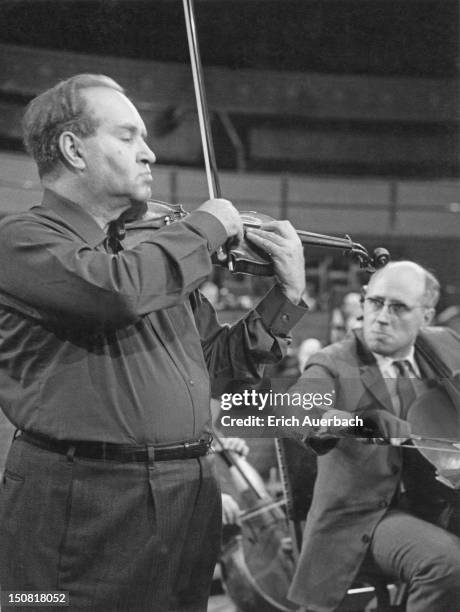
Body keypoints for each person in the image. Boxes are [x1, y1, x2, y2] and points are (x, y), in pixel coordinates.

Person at [0, 74, 308, 612]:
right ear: (73, 149)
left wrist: (286, 296)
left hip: (186, 496)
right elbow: (114, 292)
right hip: (85, 501)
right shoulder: (22, 240)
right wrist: (206, 227)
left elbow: (216, 367)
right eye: (128, 137)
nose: (149, 154)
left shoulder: (153, 259)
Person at [287, 261, 460, 612]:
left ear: (426, 315)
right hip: (367, 518)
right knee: (446, 564)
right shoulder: (334, 362)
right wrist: (358, 423)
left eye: (398, 308)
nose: (381, 317)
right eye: (376, 302)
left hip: (439, 504)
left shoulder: (447, 345)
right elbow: (296, 410)